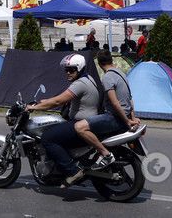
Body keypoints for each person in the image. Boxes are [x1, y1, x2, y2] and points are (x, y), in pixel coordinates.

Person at [26, 54, 101, 186]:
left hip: (81, 124)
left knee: (47, 138)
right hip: (88, 122)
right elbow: (59, 98)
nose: (67, 73)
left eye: (71, 70)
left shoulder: (80, 84)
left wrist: (35, 107)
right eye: (66, 70)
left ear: (80, 68)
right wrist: (45, 101)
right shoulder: (88, 79)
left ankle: (72, 171)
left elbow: (58, 101)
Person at [74, 50, 140, 170]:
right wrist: (132, 117)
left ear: (99, 64)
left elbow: (115, 103)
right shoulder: (121, 74)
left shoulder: (108, 77)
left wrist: (127, 121)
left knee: (80, 127)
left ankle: (106, 154)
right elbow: (130, 99)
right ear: (111, 60)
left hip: (114, 118)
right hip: (124, 116)